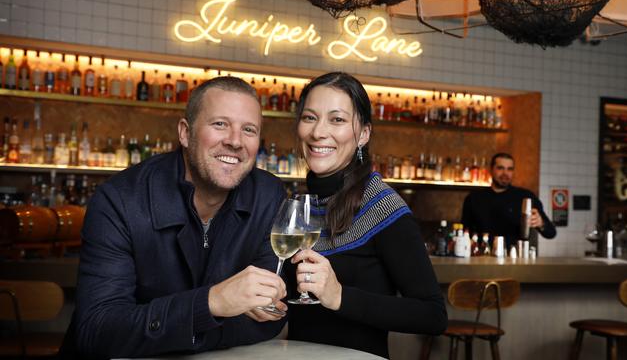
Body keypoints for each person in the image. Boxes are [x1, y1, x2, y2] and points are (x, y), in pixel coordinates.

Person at [62, 76, 288, 359]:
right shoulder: (120, 200)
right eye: (220, 124)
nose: (234, 141)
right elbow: (98, 330)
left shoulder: (269, 196)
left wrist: (171, 327)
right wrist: (211, 303)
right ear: (185, 133)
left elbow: (270, 318)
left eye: (249, 129)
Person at [285, 72, 447, 358]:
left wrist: (339, 296)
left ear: (363, 134)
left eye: (337, 120)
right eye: (310, 117)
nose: (318, 132)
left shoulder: (383, 207)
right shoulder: (299, 206)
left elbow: (432, 315)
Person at [462, 152, 556, 248]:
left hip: (516, 258)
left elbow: (551, 233)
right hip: (481, 258)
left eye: (509, 169)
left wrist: (541, 223)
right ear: (491, 170)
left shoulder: (526, 197)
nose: (505, 173)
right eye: (500, 168)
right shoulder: (474, 198)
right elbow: (464, 233)